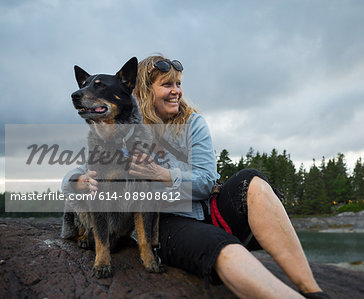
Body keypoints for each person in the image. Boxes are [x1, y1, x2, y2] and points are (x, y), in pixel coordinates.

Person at [63, 55, 329, 299]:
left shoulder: (193, 122)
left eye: (178, 83)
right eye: (167, 85)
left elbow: (206, 182)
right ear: (143, 89)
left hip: (211, 210)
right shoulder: (125, 124)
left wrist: (164, 174)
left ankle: (313, 290)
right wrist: (77, 183)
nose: (176, 90)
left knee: (252, 180)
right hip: (170, 222)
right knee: (218, 246)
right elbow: (79, 174)